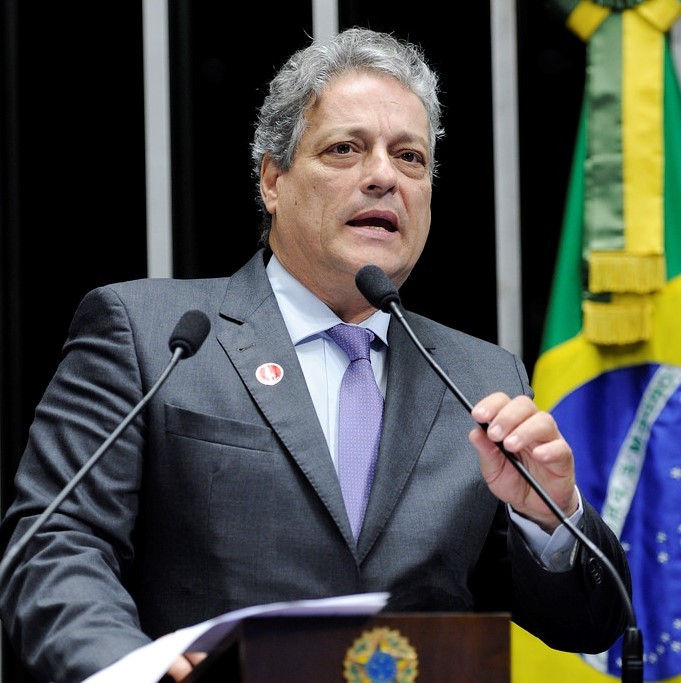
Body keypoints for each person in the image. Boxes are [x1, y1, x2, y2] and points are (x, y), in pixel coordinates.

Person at [0, 27, 631, 683]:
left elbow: (583, 623)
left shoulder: (480, 377)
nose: (383, 176)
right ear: (272, 178)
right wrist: (138, 672)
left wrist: (552, 518)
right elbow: (56, 544)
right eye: (345, 149)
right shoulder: (152, 332)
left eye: (409, 157)